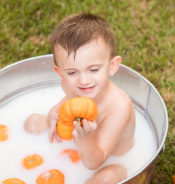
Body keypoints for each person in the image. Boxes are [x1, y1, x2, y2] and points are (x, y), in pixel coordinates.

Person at [24, 13, 135, 184]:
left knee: (107, 178)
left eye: (93, 69)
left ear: (112, 66)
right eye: (72, 72)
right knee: (31, 123)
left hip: (108, 158)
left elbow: (94, 162)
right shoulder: (70, 84)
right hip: (78, 136)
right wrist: (56, 110)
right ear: (60, 72)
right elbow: (68, 99)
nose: (83, 80)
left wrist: (85, 140)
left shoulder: (118, 106)